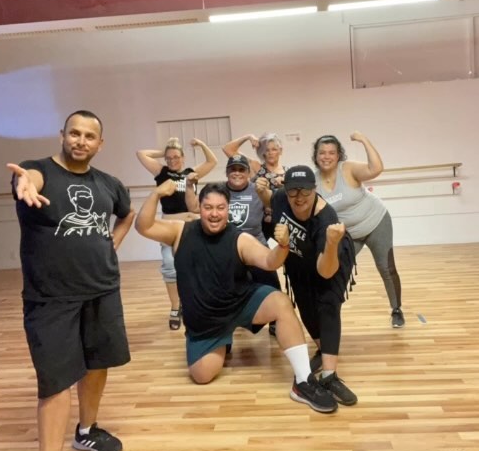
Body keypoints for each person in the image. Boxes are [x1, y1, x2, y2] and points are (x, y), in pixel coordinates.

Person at [135, 180, 338, 413]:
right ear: (199, 208)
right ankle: (224, 339)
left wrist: (283, 246)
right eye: (208, 207)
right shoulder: (180, 231)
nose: (214, 214)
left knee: (280, 303)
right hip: (206, 322)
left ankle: (303, 381)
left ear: (228, 209)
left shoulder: (239, 239)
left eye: (220, 208)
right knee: (202, 376)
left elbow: (269, 262)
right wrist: (156, 194)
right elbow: (143, 226)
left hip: (239, 304)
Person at [7, 110, 135, 451]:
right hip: (51, 298)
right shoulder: (38, 171)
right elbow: (28, 179)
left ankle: (87, 431)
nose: (81, 141)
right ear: (62, 135)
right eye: (74, 133)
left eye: (89, 136)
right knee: (55, 382)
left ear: (100, 143)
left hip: (102, 289)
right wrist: (24, 183)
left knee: (97, 364)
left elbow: (127, 213)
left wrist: (113, 242)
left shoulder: (108, 183)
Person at [260, 165, 358, 406]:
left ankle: (329, 375)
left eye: (305, 191)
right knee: (304, 303)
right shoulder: (281, 198)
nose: (299, 197)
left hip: (330, 257)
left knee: (327, 303)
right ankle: (324, 349)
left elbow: (326, 271)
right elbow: (271, 200)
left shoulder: (326, 218)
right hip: (298, 256)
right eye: (293, 191)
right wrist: (262, 193)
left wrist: (332, 244)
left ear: (314, 190)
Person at [312, 132, 404, 327]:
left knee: (386, 267)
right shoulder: (314, 182)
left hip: (376, 221)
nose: (326, 157)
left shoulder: (347, 169)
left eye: (331, 153)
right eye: (322, 153)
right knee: (337, 271)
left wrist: (364, 140)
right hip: (348, 234)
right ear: (316, 155)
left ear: (338, 155)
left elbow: (376, 168)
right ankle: (331, 313)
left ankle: (396, 309)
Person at [136, 136, 217, 330]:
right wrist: (164, 151)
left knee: (200, 266)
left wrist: (201, 144)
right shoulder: (161, 172)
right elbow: (141, 154)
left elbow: (212, 161)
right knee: (170, 265)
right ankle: (175, 306)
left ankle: (200, 303)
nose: (172, 161)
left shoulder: (191, 173)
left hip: (193, 225)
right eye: (169, 158)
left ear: (183, 157)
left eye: (176, 157)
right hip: (170, 226)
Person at [224, 152, 281, 335]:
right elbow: (196, 208)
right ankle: (226, 324)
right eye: (233, 169)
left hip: (256, 244)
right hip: (228, 246)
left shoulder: (257, 190)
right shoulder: (219, 191)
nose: (237, 173)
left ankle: (275, 320)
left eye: (241, 169)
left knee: (271, 284)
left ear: (248, 173)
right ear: (227, 172)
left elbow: (274, 206)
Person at [223, 131, 286, 235]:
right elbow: (227, 149)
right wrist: (248, 137)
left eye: (274, 149)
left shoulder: (287, 173)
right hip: (259, 223)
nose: (270, 153)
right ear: (262, 152)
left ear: (280, 151)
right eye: (267, 150)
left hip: (282, 223)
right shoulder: (256, 167)